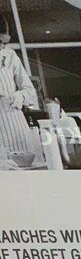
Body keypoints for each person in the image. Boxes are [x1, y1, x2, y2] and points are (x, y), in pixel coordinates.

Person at [0, 14, 39, 160]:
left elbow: (30, 91)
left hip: (15, 125)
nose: (2, 47)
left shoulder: (9, 56)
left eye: (5, 43)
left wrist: (18, 96)